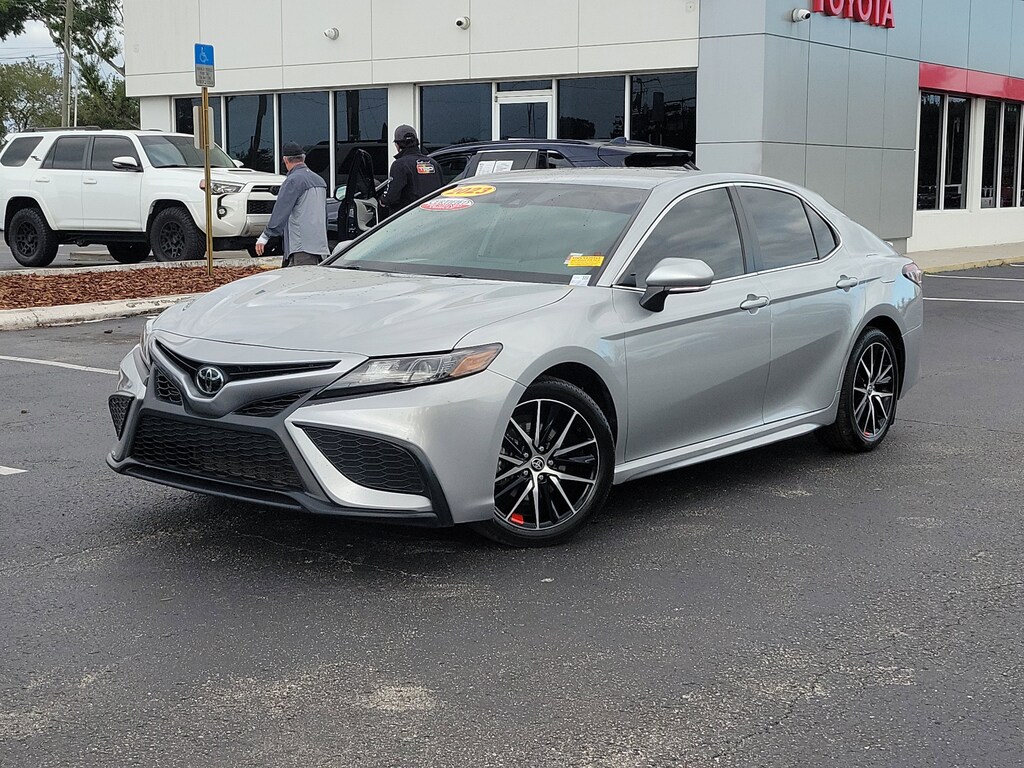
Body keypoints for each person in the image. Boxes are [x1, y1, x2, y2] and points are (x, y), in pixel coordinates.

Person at [255, 141, 330, 267]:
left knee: (300, 283)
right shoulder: (320, 180)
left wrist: (265, 236)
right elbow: (324, 215)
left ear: (285, 160)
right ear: (303, 158)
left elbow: (281, 210)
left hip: (301, 246)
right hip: (319, 246)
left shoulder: (293, 180)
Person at [379, 124, 442, 215]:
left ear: (397, 145)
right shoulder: (434, 163)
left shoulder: (399, 165)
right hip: (432, 217)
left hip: (408, 220)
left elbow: (391, 197)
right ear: (417, 142)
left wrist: (383, 200)